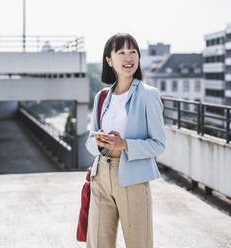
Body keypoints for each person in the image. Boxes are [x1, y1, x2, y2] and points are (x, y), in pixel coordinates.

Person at [85, 33, 166, 248]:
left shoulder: (148, 95)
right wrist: (100, 143)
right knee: (98, 243)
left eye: (132, 52)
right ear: (109, 61)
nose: (128, 57)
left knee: (139, 243)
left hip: (133, 178)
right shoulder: (102, 96)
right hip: (100, 176)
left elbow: (159, 143)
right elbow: (89, 141)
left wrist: (125, 145)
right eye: (121, 52)